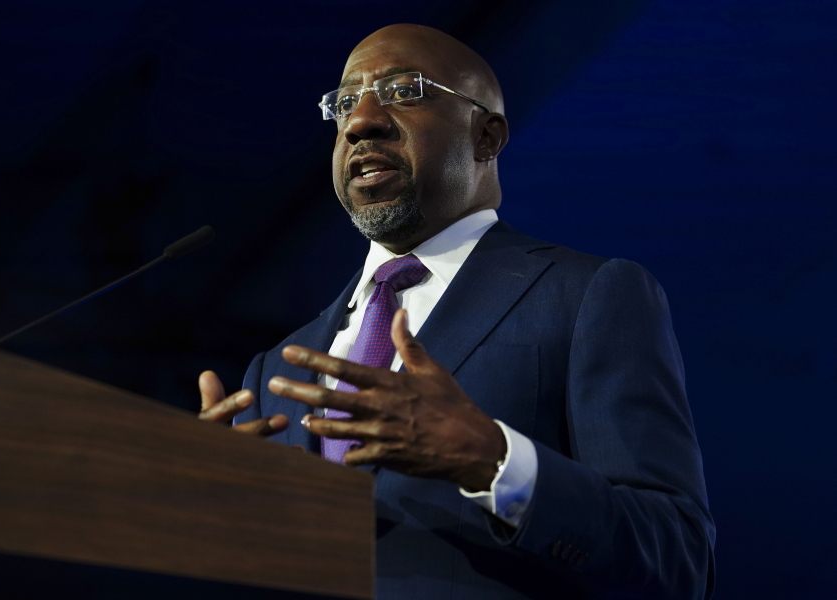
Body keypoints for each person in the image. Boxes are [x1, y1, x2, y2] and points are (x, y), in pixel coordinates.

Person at [198, 23, 715, 600]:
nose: (362, 120)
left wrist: (493, 461)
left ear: (487, 136)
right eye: (345, 103)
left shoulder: (587, 295)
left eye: (403, 91)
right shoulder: (273, 373)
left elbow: (678, 560)